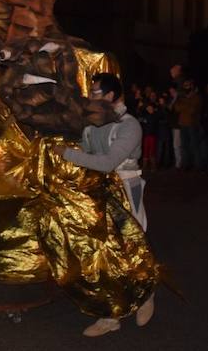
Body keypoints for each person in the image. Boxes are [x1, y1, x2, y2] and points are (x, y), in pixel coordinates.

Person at [58, 73, 154, 337]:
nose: (90, 97)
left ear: (111, 96)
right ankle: (108, 315)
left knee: (131, 248)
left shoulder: (130, 126)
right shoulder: (91, 125)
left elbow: (106, 163)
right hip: (98, 191)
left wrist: (66, 154)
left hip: (126, 187)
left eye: (96, 92)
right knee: (100, 251)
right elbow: (85, 154)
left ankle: (145, 296)